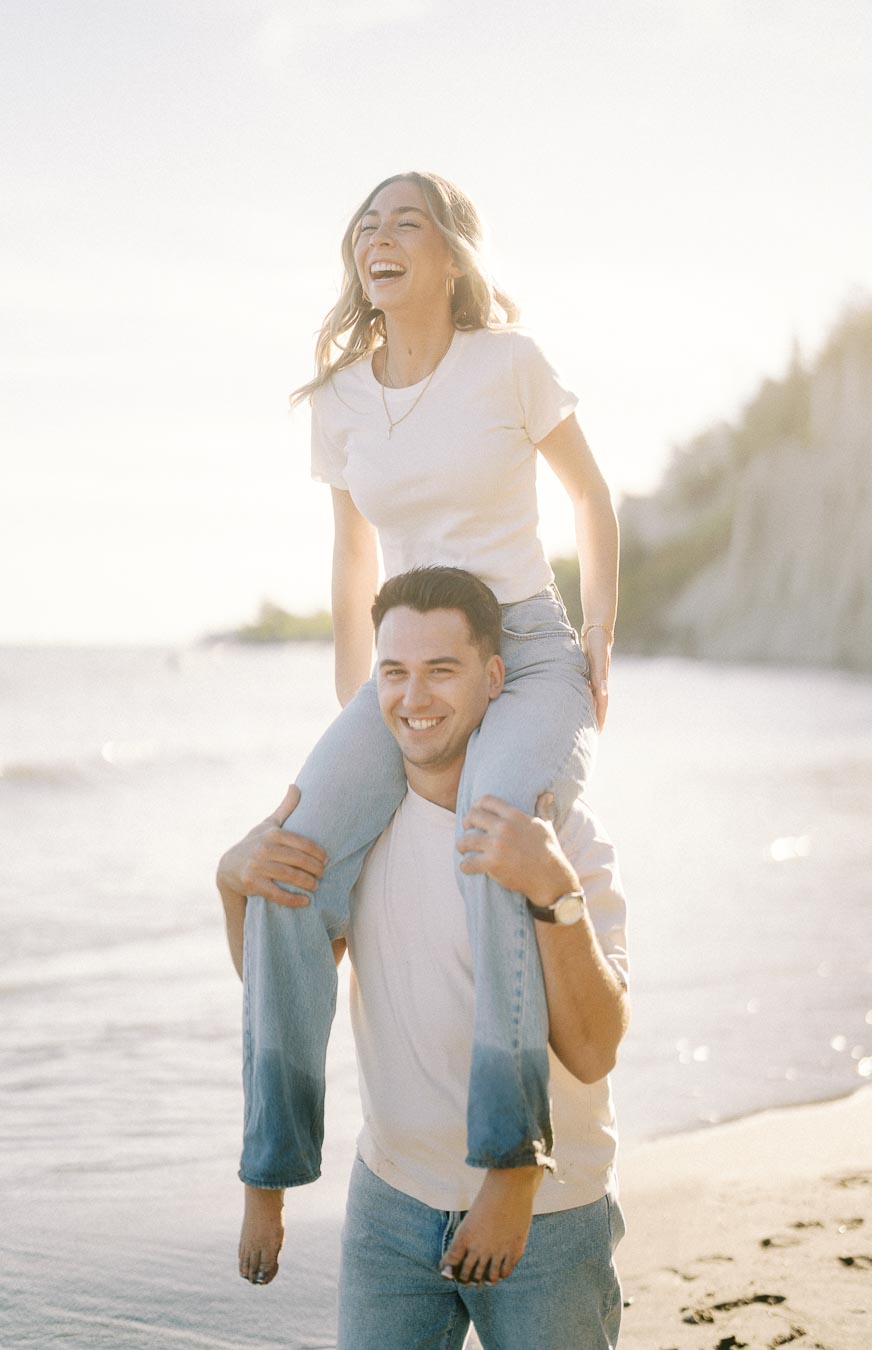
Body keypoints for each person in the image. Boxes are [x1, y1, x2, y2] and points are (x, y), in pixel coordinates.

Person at [239, 171, 620, 1283]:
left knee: (494, 835)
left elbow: (593, 498)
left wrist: (600, 635)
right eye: (366, 222)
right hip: (413, 667)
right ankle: (269, 1164)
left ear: (452, 253)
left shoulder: (510, 363)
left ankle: (512, 1156)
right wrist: (360, 709)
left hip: (530, 653)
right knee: (291, 854)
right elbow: (353, 556)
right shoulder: (342, 399)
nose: (379, 235)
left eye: (407, 219)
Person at [218, 568, 629, 1347]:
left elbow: (595, 1045)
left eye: (442, 670)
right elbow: (285, 984)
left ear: (495, 677)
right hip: (392, 1207)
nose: (415, 698)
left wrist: (554, 891)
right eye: (394, 672)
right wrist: (229, 883)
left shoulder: (562, 832)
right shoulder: (357, 833)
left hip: (550, 1213)